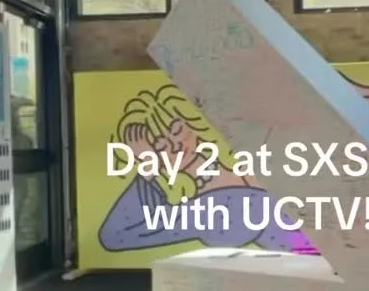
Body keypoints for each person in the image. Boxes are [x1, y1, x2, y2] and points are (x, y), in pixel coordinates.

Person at [98, 84, 318, 254]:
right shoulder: (199, 208)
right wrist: (148, 169)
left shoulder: (252, 160)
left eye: (176, 129)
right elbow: (115, 235)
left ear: (192, 121)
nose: (175, 145)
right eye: (161, 146)